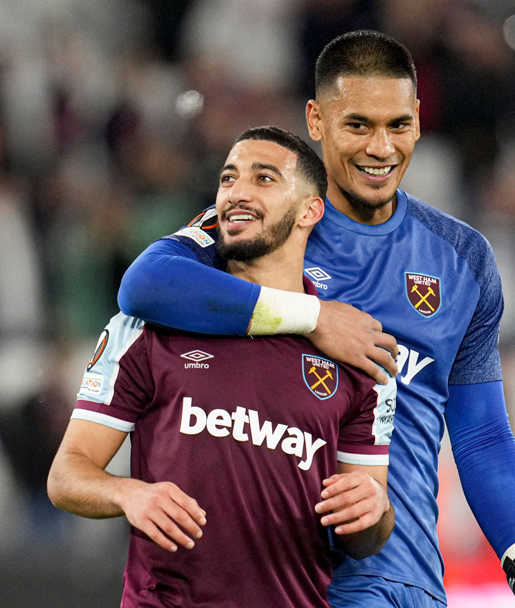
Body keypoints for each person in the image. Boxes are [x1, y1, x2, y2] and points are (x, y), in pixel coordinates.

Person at [116, 30, 515, 608]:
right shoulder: (268, 222)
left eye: (398, 125)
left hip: (414, 580)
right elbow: (146, 284)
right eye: (358, 125)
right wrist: (311, 316)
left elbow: (480, 432)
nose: (381, 148)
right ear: (316, 120)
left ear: (418, 120)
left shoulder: (463, 258)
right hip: (309, 581)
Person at [47, 126, 397, 608]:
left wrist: (375, 511)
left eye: (265, 178)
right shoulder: (151, 327)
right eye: (229, 178)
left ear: (310, 211)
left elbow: (366, 530)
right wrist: (129, 494)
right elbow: (66, 475)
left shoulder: (358, 355)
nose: (237, 192)